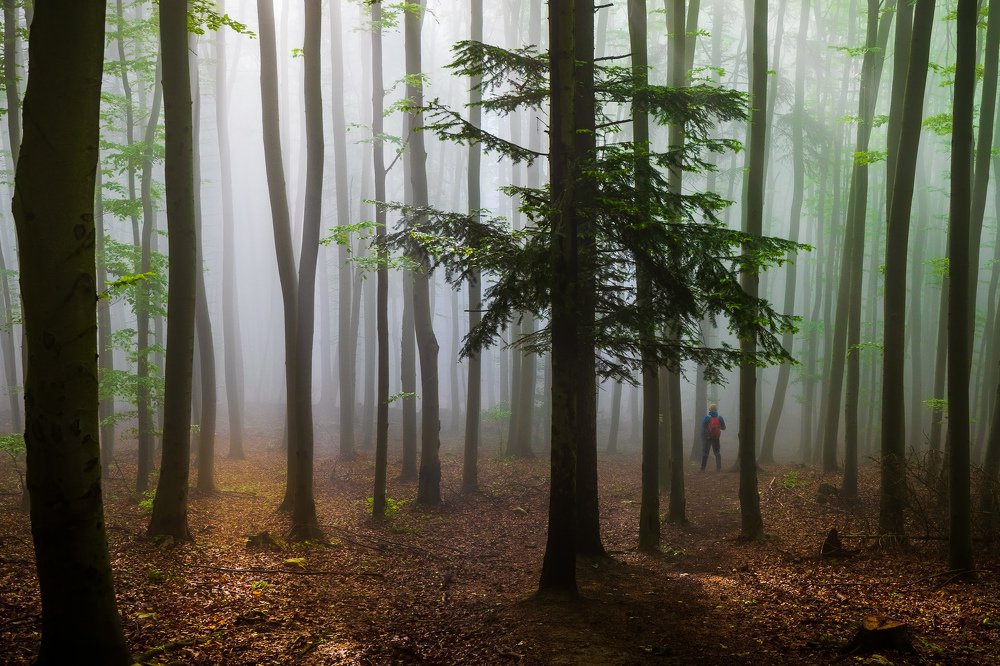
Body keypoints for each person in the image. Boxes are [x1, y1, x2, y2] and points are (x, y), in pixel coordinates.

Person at [701, 403, 726, 472]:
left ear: (710, 409)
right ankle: (719, 468)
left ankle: (702, 469)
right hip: (716, 438)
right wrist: (717, 428)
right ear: (716, 410)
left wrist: (705, 437)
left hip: (707, 438)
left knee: (705, 453)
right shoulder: (720, 418)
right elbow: (724, 428)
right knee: (717, 453)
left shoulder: (706, 418)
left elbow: (703, 428)